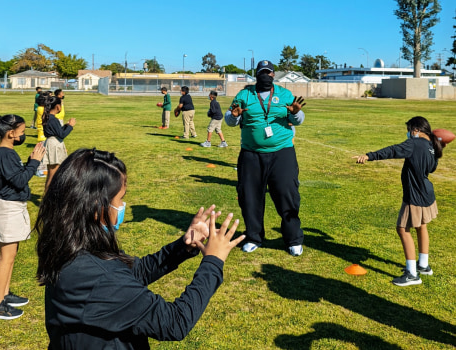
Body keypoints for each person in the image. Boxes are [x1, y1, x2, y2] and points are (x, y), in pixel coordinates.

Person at [35, 148, 245, 349]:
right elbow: (175, 322)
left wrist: (184, 246)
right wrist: (213, 263)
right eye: (120, 199)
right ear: (97, 208)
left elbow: (135, 271)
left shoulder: (75, 247)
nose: (122, 206)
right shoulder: (95, 275)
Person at [225, 60, 306, 256]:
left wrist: (296, 114)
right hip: (251, 154)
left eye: (269, 73)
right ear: (257, 75)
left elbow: (298, 118)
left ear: (273, 75)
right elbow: (230, 119)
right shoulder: (244, 94)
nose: (266, 76)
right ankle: (254, 236)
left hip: (282, 153)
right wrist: (234, 116)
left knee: (287, 195)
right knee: (250, 196)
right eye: (262, 72)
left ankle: (293, 239)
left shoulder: (284, 94)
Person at [353, 116, 443, 287]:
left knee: (402, 228)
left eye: (409, 130)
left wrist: (368, 156)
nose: (408, 134)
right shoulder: (431, 145)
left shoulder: (414, 144)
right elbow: (432, 168)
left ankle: (412, 274)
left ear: (416, 130)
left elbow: (393, 150)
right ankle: (423, 265)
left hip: (415, 195)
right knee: (421, 225)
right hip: (426, 193)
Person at [0, 114, 46, 319]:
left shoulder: (8, 153)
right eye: (21, 132)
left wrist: (29, 162)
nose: (23, 135)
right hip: (7, 210)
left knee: (11, 257)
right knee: (6, 259)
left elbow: (15, 177)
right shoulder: (5, 154)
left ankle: (4, 294)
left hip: (13, 207)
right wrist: (34, 163)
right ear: (10, 134)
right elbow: (19, 181)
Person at [41, 95, 76, 190]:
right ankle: (47, 199)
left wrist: (66, 126)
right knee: (53, 174)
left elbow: (57, 131)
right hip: (54, 145)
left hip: (51, 143)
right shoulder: (52, 119)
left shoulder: (48, 117)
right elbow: (61, 134)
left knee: (52, 173)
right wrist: (70, 126)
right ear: (57, 106)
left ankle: (48, 197)